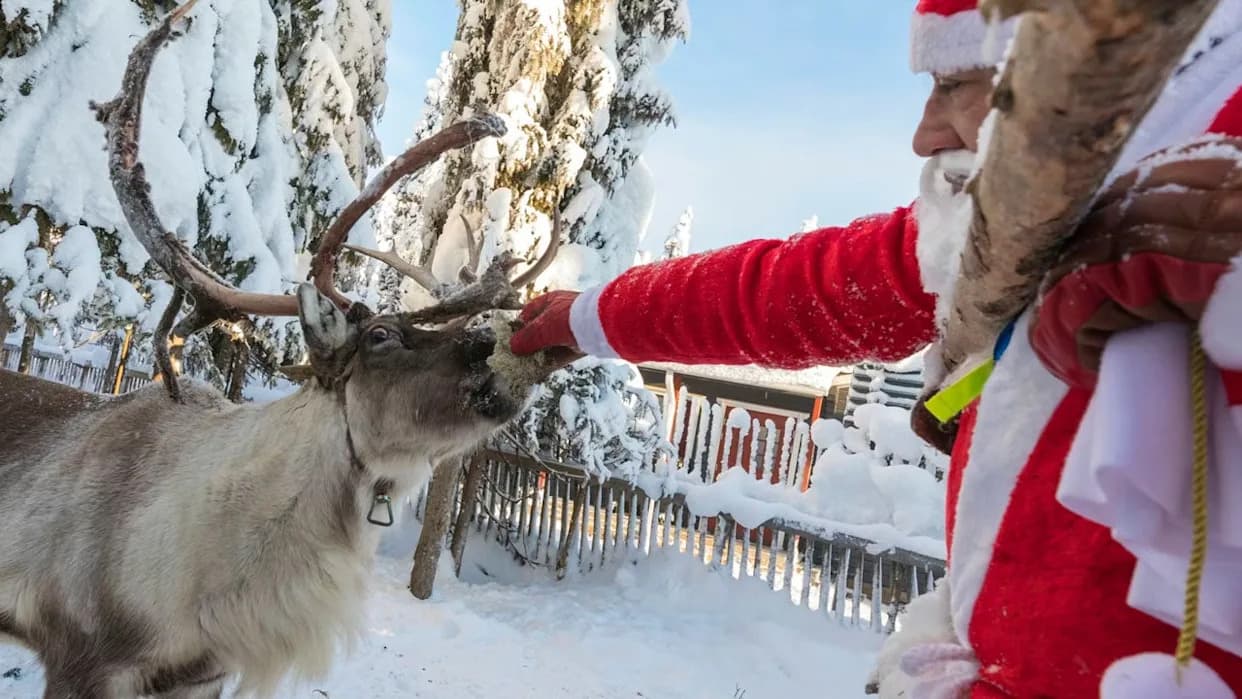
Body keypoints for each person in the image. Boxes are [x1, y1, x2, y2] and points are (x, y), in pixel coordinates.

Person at [510, 0, 1242, 696]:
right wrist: (585, 317)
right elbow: (782, 293)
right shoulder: (988, 234)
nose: (924, 135)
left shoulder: (1209, 170)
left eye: (955, 84)